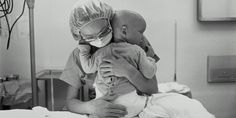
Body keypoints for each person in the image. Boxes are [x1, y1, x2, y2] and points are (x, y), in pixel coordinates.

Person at [60, 0, 158, 118]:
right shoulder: (79, 55)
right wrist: (91, 107)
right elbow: (71, 102)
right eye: (90, 36)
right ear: (80, 36)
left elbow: (153, 89)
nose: (99, 39)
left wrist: (128, 71)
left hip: (135, 109)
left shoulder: (134, 40)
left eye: (103, 32)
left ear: (109, 21)